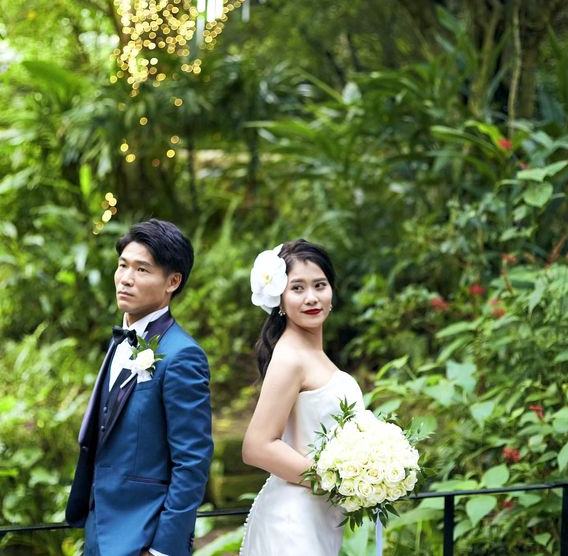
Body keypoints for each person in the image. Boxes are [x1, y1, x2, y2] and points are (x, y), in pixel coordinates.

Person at [66, 219, 213, 556]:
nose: (126, 278)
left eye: (142, 269)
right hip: (99, 528)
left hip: (143, 536)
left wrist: (163, 549)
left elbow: (192, 462)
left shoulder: (182, 355)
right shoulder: (120, 341)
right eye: (123, 266)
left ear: (173, 281)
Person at [240, 239, 365, 555]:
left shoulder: (313, 354)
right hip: (292, 524)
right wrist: (334, 481)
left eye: (319, 285)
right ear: (280, 299)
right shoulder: (290, 357)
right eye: (297, 288)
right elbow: (257, 446)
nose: (311, 297)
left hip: (318, 517)